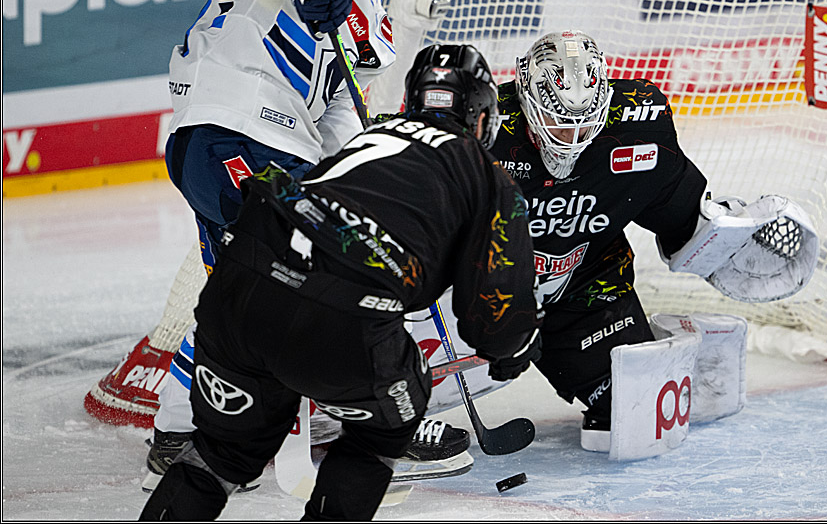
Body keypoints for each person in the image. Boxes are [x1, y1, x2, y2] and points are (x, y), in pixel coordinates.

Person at [82, 0, 465, 489]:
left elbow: (337, 102)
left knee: (242, 293)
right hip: (235, 127)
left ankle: (179, 432)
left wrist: (358, 175)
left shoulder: (371, 10)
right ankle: (373, 420)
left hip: (246, 139)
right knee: (326, 279)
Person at [138, 43, 544, 521]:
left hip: (241, 285)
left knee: (219, 454)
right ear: (482, 118)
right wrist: (514, 350)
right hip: (342, 313)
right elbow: (495, 316)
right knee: (384, 427)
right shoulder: (489, 179)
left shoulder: (369, 137)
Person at [488, 30, 710, 451]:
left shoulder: (638, 124)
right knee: (401, 394)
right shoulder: (482, 125)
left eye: (583, 123)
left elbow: (681, 213)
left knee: (631, 408)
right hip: (483, 291)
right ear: (526, 100)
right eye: (557, 121)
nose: (570, 138)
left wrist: (725, 238)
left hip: (587, 288)